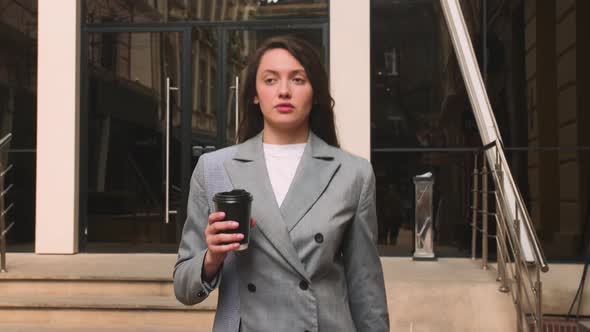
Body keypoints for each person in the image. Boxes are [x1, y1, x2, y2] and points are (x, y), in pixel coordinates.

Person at [173, 35, 389, 332]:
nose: (284, 91)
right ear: (254, 94)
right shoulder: (214, 169)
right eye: (271, 80)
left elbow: (366, 287)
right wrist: (212, 257)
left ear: (315, 93)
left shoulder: (353, 173)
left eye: (298, 80)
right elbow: (184, 288)